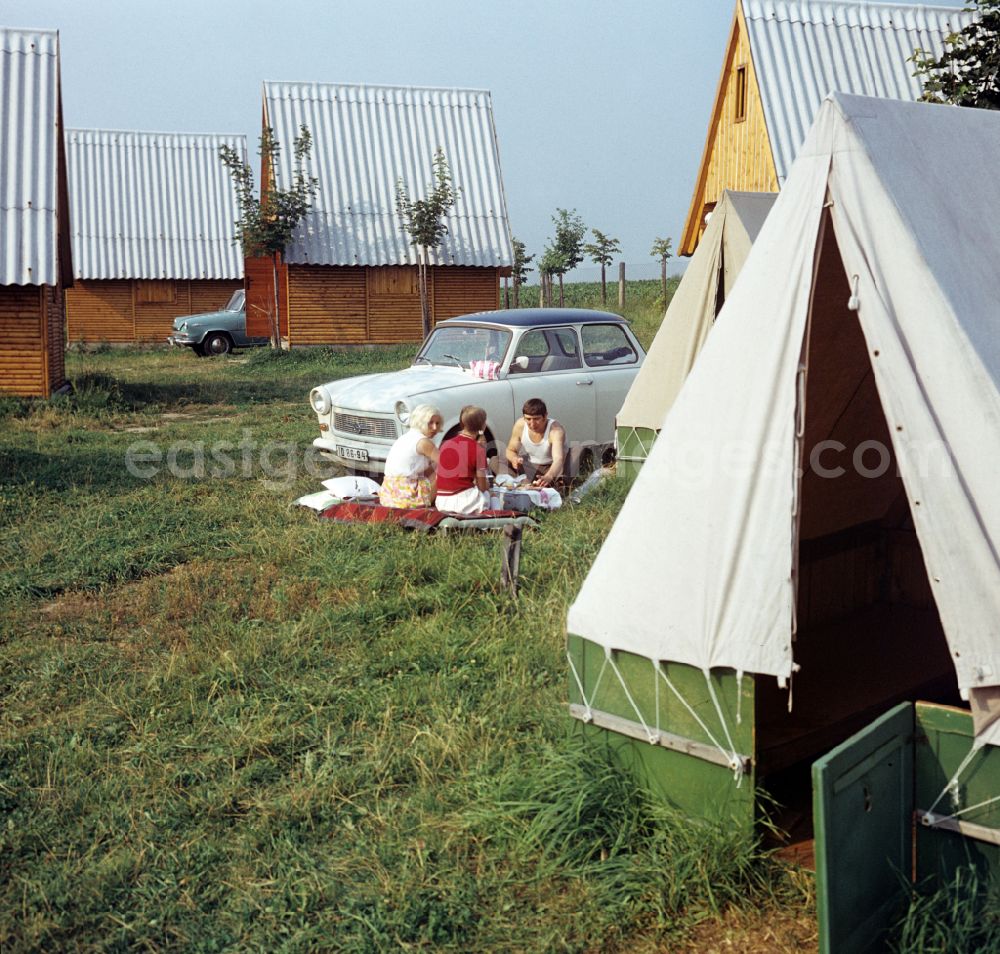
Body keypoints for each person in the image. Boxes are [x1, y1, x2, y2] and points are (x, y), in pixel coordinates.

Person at [379, 404, 442, 509]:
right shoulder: (423, 442)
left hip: (388, 495)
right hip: (407, 497)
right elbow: (448, 463)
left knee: (437, 466)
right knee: (448, 470)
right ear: (420, 422)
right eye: (430, 423)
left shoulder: (405, 437)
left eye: (437, 423)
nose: (435, 428)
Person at [435, 405, 490, 514]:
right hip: (463, 502)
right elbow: (482, 487)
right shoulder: (478, 449)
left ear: (462, 423)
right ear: (483, 426)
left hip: (441, 501)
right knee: (489, 496)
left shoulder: (446, 444)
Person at [504, 397, 566, 488]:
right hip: (530, 465)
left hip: (550, 467)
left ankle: (540, 483)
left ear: (545, 416)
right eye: (528, 419)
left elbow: (558, 459)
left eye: (536, 419)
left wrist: (549, 476)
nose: (532, 424)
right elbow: (510, 450)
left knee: (562, 474)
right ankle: (521, 483)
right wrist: (514, 459)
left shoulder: (555, 430)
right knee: (495, 460)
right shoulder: (520, 425)